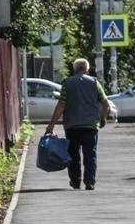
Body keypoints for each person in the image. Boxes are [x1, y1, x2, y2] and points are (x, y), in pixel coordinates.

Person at [45, 58, 110, 190]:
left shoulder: (67, 83)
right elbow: (105, 103)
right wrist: (102, 118)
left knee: (73, 155)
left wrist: (51, 125)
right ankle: (89, 181)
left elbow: (61, 105)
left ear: (75, 69)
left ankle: (75, 181)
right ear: (87, 69)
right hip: (90, 126)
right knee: (90, 154)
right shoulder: (94, 83)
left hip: (72, 126)